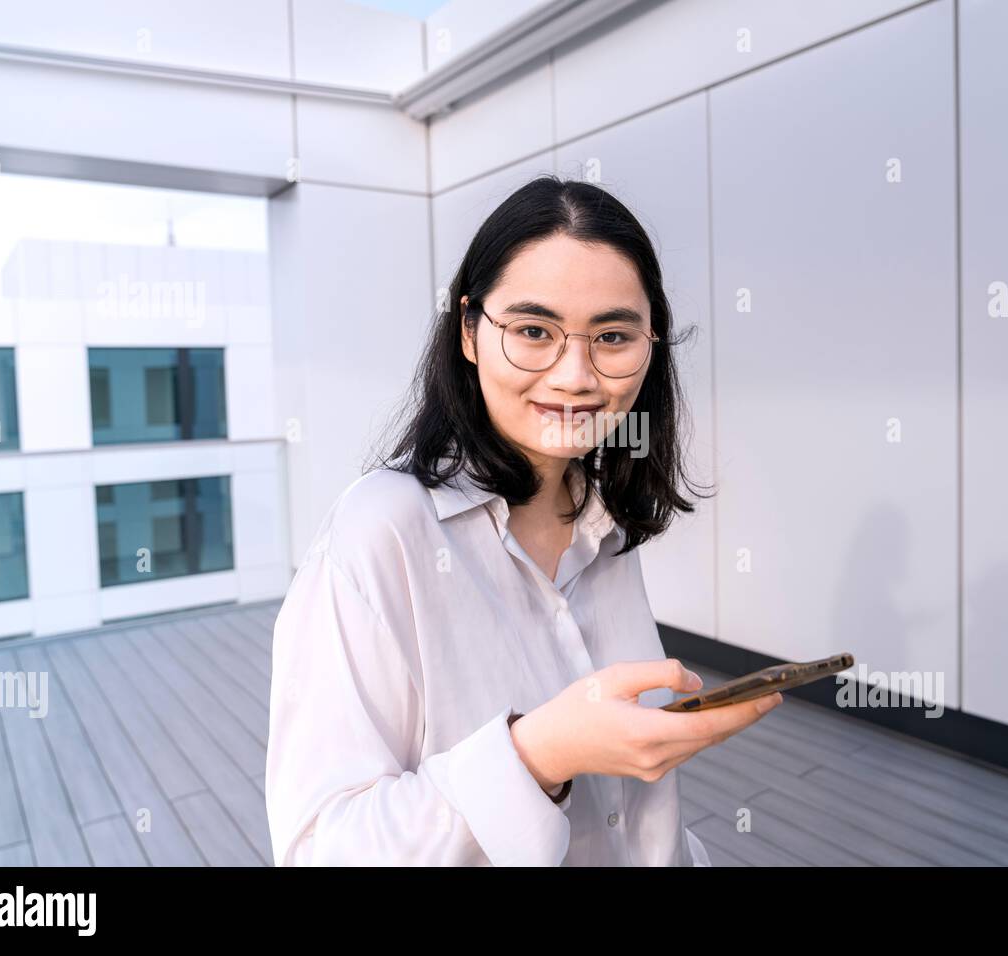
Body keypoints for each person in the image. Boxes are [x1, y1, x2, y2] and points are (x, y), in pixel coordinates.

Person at [264, 175, 784, 866]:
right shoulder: (380, 529)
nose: (576, 375)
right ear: (470, 333)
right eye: (533, 331)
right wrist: (539, 753)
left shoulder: (604, 521)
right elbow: (322, 848)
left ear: (651, 345)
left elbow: (627, 825)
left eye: (613, 335)